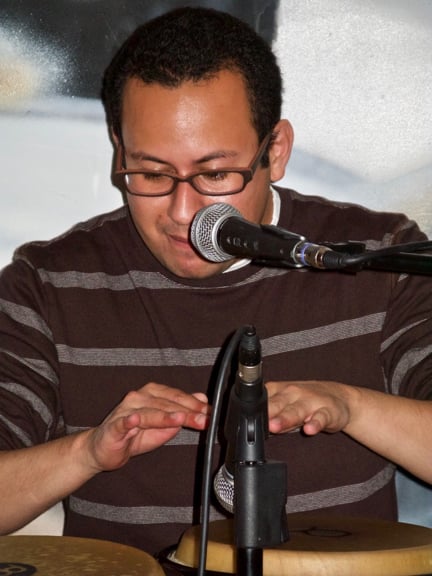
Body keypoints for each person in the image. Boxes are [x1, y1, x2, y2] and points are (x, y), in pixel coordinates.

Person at [0, 5, 431, 561]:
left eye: (213, 174)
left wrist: (350, 406)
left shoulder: (374, 259)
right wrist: (85, 452)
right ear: (117, 147)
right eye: (151, 174)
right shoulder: (49, 283)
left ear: (274, 151)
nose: (183, 212)